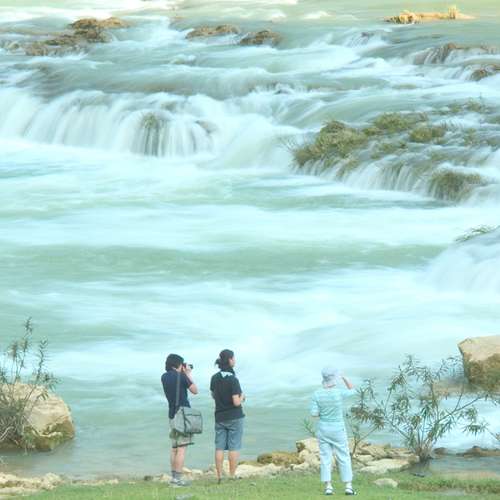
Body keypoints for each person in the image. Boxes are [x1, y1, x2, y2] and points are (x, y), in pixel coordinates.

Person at [310, 367, 356, 496]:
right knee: (344, 456)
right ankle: (348, 487)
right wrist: (345, 378)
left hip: (323, 429)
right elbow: (353, 391)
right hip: (338, 429)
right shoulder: (339, 393)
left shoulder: (316, 394)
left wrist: (323, 413)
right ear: (334, 379)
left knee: (325, 457)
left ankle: (328, 487)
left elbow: (314, 414)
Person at [161, 353, 198, 487]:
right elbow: (195, 390)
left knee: (174, 448)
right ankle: (177, 480)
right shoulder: (182, 376)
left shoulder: (164, 377)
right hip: (182, 414)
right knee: (182, 448)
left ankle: (173, 477)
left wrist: (182, 372)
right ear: (178, 364)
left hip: (172, 414)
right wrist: (187, 373)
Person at [210, 349, 245, 483]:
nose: (234, 360)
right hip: (235, 416)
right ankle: (231, 475)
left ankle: (219, 476)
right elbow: (236, 402)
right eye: (233, 358)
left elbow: (213, 395)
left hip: (219, 416)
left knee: (219, 447)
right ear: (230, 360)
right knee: (233, 446)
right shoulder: (233, 379)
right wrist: (242, 397)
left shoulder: (214, 378)